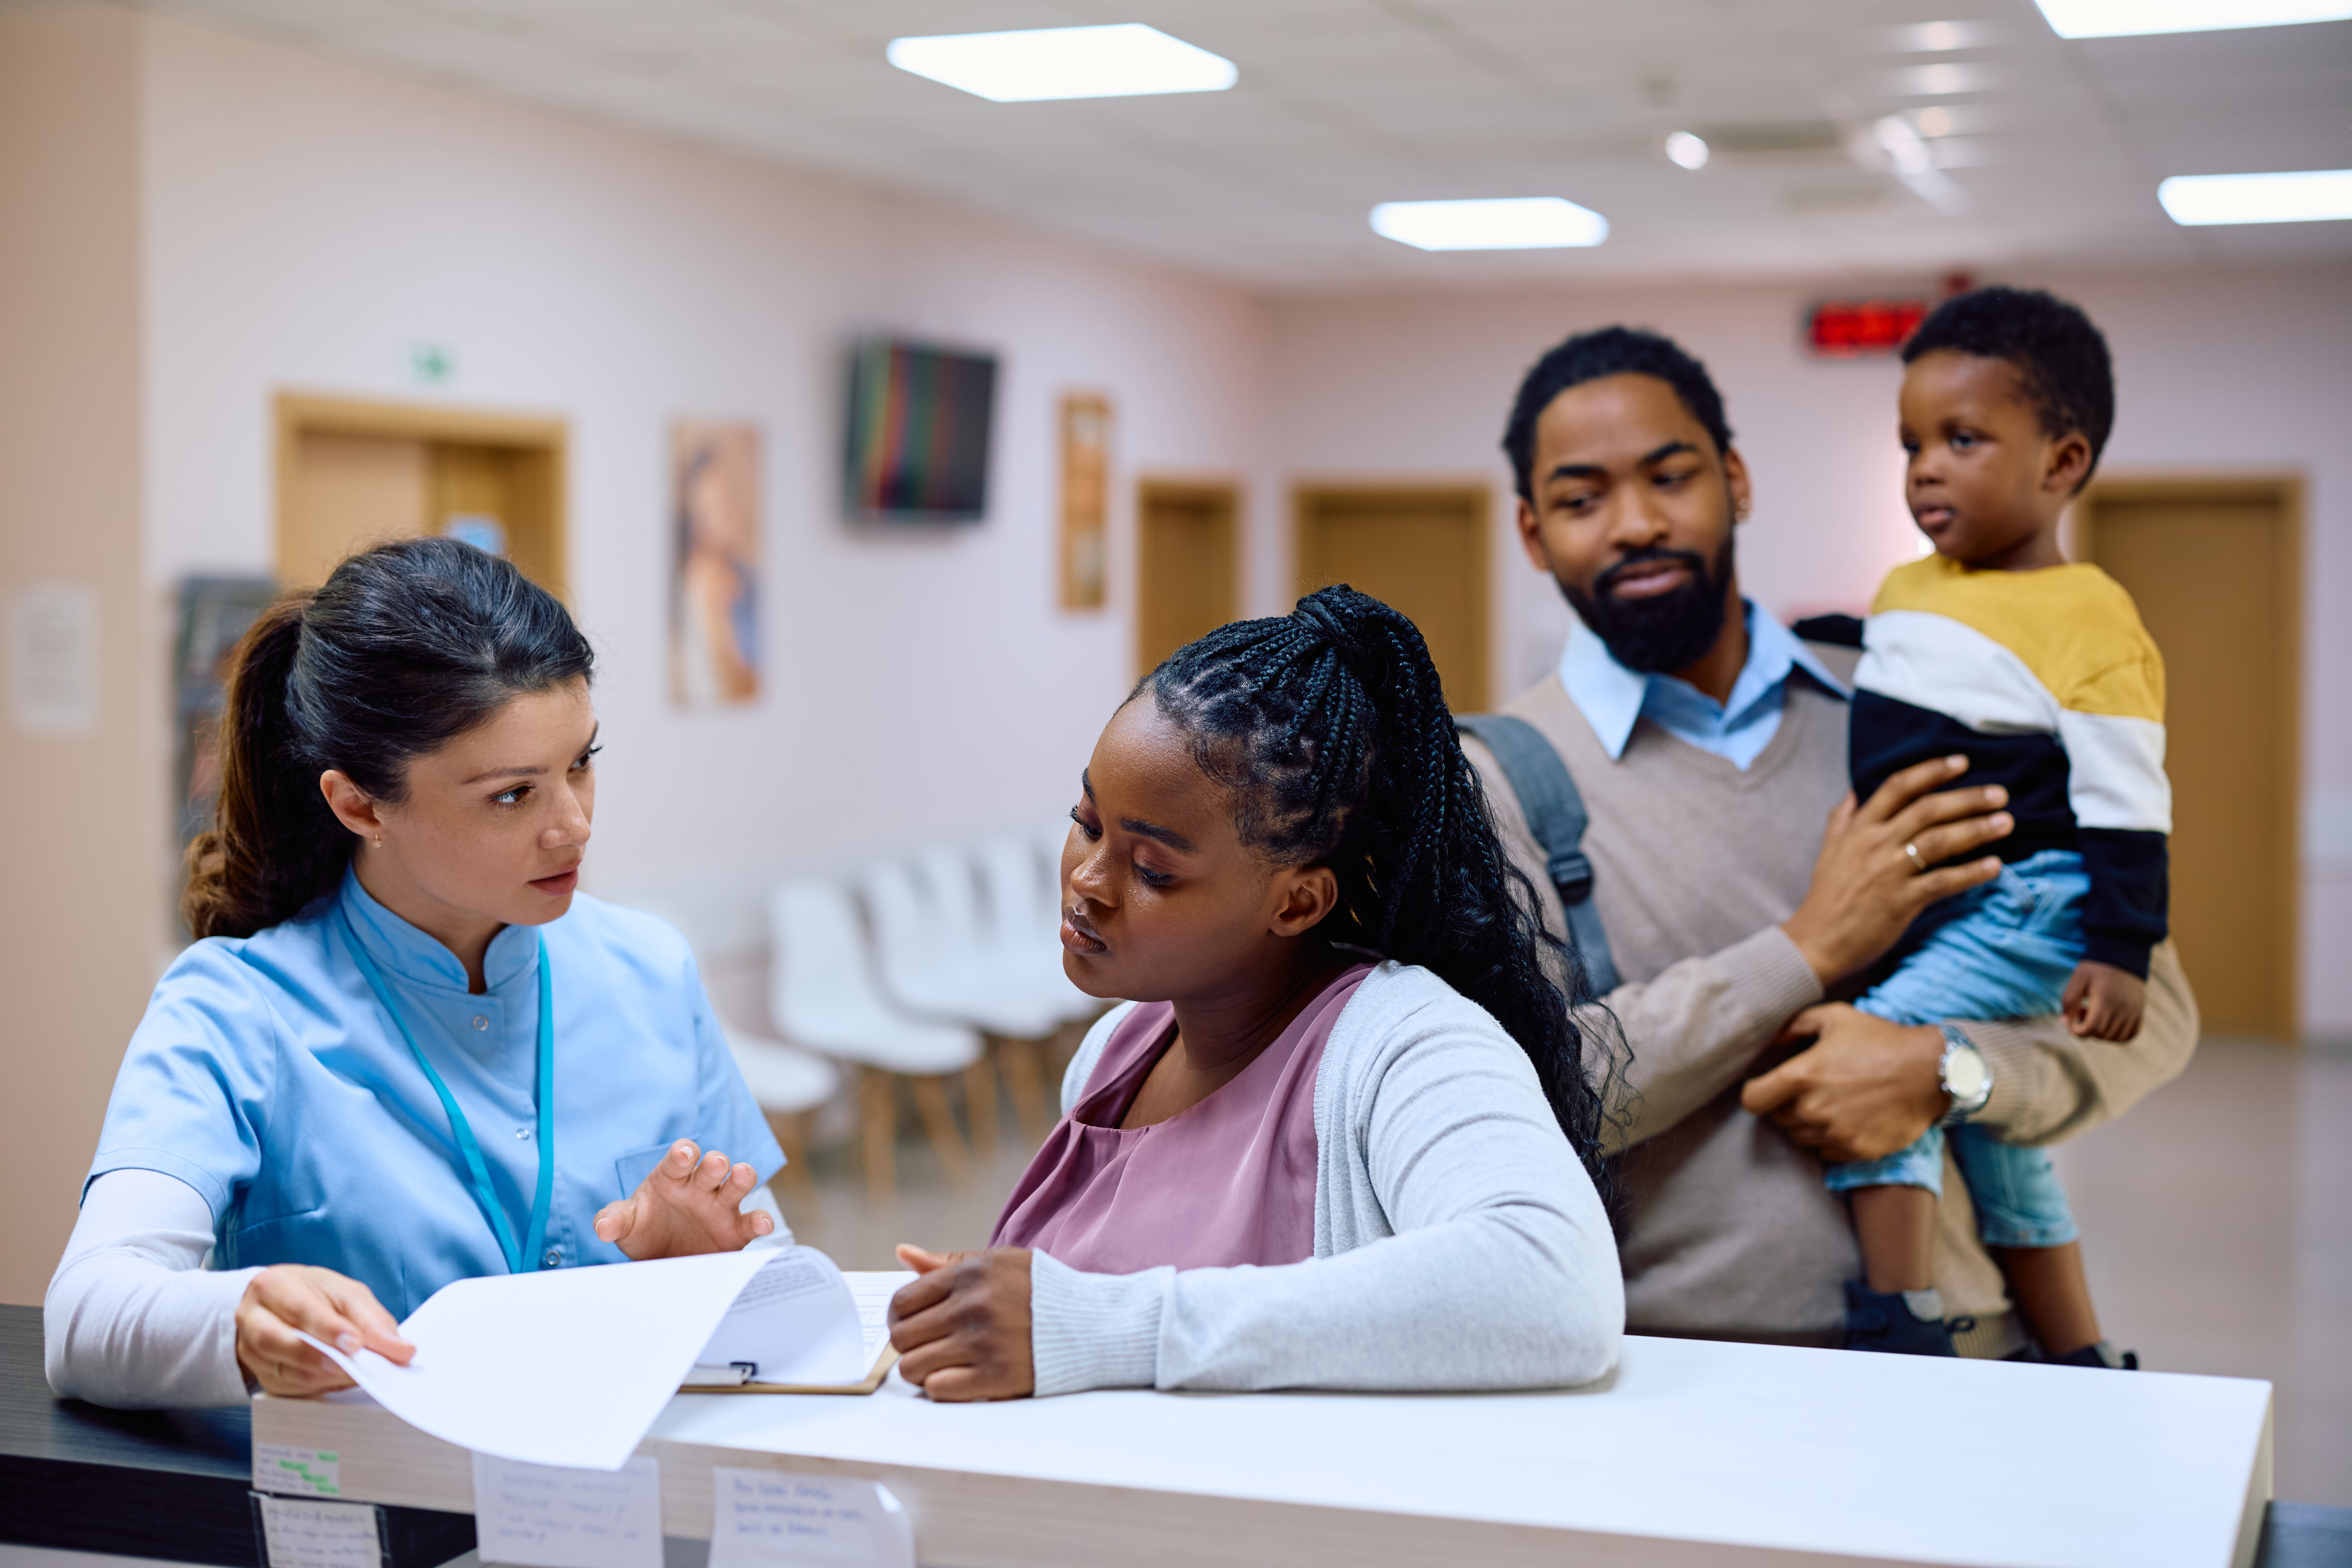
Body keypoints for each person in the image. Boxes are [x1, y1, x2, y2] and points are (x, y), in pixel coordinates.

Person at [1465, 325, 2196, 1357]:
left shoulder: (1913, 698)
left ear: (1736, 482)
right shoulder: (1492, 782)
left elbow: (2155, 1011)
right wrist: (1807, 947)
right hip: (1683, 1369)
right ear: (1535, 537)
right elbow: (1526, 1094)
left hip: (1975, 1350)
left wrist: (1947, 1072)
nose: (1634, 524)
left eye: (1670, 478)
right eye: (1583, 500)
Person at [46, 537, 785, 1409]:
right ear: (358, 803)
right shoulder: (235, 1008)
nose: (574, 825)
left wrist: (704, 1276)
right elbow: (86, 1313)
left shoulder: (650, 969)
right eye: (513, 793)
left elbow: (781, 1284)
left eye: (581, 763)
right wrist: (241, 1316)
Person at [883, 587, 1625, 1401]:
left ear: (1297, 901)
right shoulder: (1114, 1050)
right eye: (1088, 822)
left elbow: (1552, 1282)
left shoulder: (1406, 1040)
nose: (1088, 883)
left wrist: (1111, 1325)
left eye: (1154, 870)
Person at [1823, 288, 2164, 1363]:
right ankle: (2075, 1356)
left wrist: (2122, 948)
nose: (1925, 466)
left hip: (2031, 899)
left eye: (1962, 440)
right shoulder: (1913, 584)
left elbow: (2127, 799)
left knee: (1880, 1055)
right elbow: (1906, 659)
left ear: (2062, 463)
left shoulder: (2089, 618)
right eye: (1913, 442)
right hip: (1955, 902)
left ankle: (1901, 1318)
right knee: (2004, 1144)